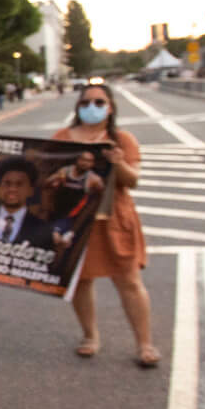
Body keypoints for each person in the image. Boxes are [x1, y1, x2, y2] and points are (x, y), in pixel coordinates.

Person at [53, 85, 157, 367]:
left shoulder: (122, 139)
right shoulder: (62, 138)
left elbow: (132, 180)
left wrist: (119, 164)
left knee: (129, 281)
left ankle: (144, 344)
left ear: (110, 107)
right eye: (86, 101)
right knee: (81, 281)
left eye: (99, 101)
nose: (92, 106)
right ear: (77, 106)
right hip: (76, 221)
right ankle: (90, 336)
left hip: (114, 219)